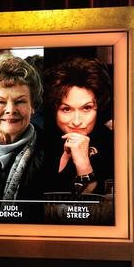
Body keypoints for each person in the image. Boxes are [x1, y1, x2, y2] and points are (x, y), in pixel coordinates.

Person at [0, 55, 44, 201]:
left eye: (20, 101)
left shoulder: (50, 152)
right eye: (0, 102)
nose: (11, 110)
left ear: (33, 106)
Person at [42, 57, 113, 195]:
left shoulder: (114, 145)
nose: (76, 121)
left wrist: (83, 163)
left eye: (87, 108)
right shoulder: (41, 142)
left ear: (99, 108)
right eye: (66, 109)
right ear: (54, 110)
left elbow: (103, 204)